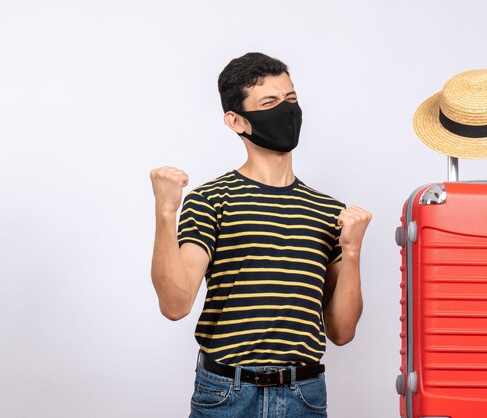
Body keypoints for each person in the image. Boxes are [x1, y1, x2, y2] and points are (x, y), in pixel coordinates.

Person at [150, 52, 371, 417]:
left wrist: (352, 252)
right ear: (236, 121)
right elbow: (175, 305)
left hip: (305, 394)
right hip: (226, 395)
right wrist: (165, 213)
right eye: (270, 102)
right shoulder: (211, 200)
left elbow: (342, 331)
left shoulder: (330, 212)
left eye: (291, 100)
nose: (286, 111)